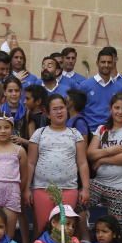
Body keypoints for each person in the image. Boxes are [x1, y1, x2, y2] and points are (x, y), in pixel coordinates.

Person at [27, 94, 91, 233]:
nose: (59, 111)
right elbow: (30, 163)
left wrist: (85, 188)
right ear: (48, 114)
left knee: (66, 229)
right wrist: (26, 188)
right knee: (44, 228)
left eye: (62, 108)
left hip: (68, 189)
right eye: (55, 109)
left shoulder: (75, 134)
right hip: (42, 189)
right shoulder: (39, 133)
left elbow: (82, 163)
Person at [87, 93, 122, 226]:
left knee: (117, 228)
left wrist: (102, 160)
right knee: (77, 206)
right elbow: (90, 153)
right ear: (110, 109)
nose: (120, 112)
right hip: (98, 183)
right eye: (117, 108)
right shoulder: (102, 129)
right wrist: (110, 150)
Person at [76, 48, 122, 130]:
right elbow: (77, 111)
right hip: (90, 132)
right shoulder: (85, 85)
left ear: (113, 64)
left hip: (111, 132)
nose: (106, 65)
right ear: (97, 63)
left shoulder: (120, 88)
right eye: (103, 62)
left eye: (109, 62)